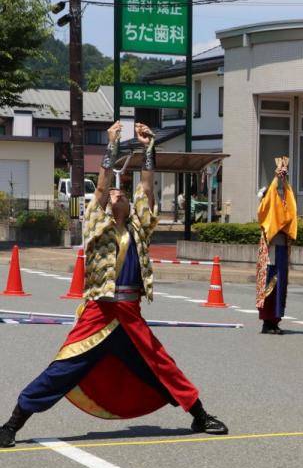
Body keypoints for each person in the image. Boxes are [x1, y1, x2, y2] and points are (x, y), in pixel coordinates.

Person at [0, 122, 227, 448]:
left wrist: (149, 149)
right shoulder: (96, 225)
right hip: (99, 314)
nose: (119, 194)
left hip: (129, 315)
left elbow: (146, 189)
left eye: (125, 194)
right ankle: (11, 425)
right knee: (61, 370)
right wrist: (110, 146)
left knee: (161, 368)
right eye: (114, 194)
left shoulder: (139, 227)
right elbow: (103, 187)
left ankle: (200, 415)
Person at [255, 156, 297, 334]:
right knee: (269, 285)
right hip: (270, 251)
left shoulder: (280, 208)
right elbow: (271, 196)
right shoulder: (265, 209)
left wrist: (284, 179)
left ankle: (276, 320)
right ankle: (267, 321)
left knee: (280, 286)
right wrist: (275, 178)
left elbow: (290, 204)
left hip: (281, 250)